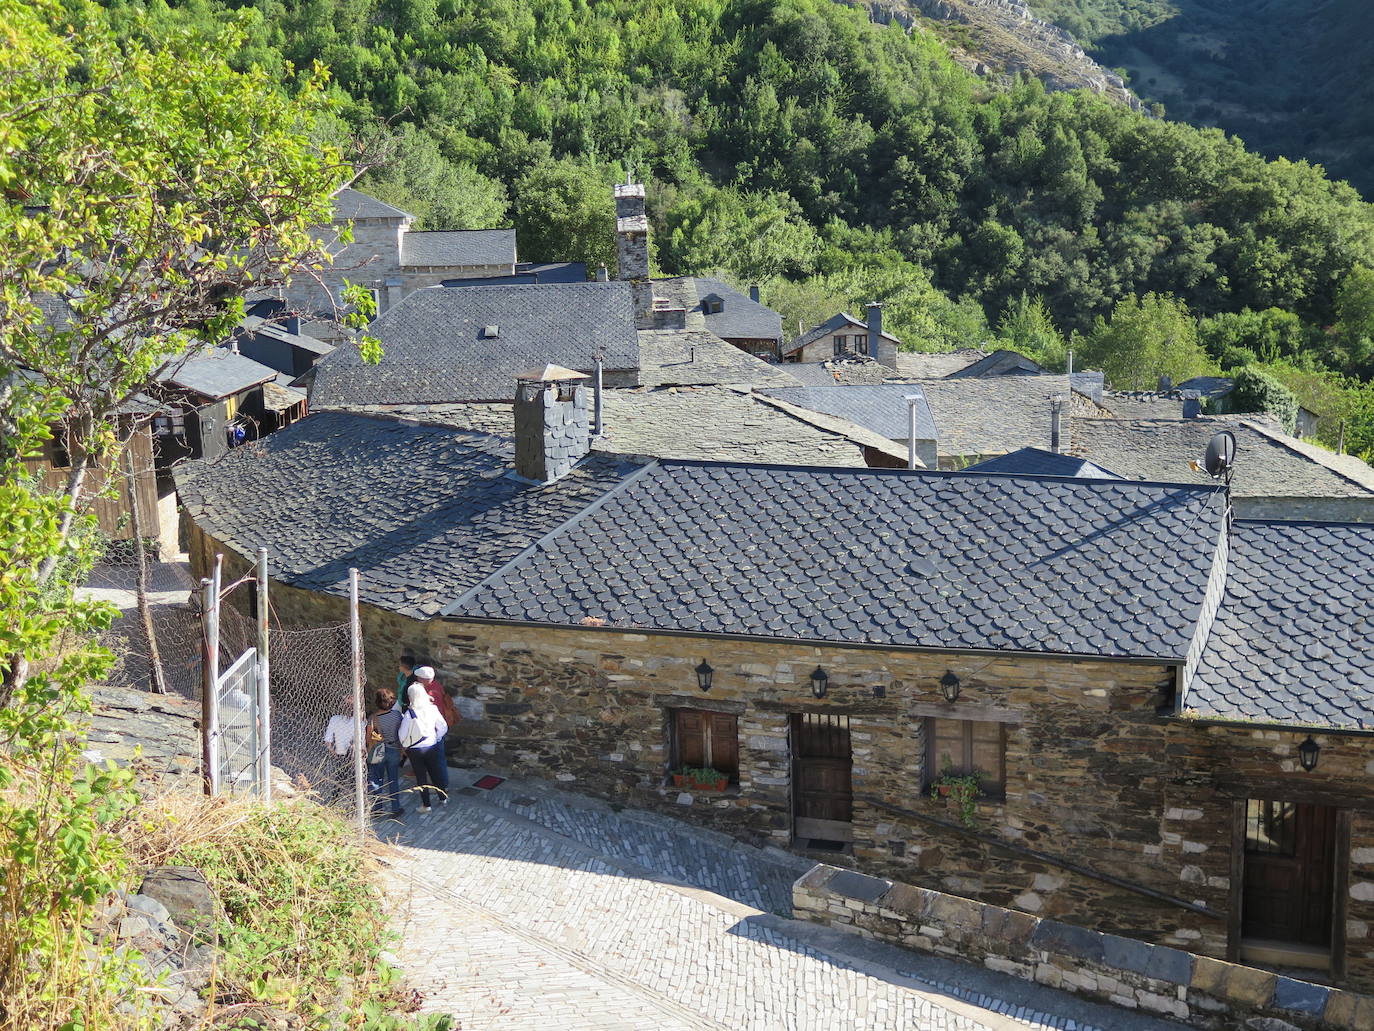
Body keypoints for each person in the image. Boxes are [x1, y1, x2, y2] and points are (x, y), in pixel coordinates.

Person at [399, 682, 448, 814]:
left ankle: (426, 805)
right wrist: (436, 738)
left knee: (421, 777)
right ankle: (443, 797)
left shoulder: (410, 714)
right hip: (431, 746)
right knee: (435, 772)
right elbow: (443, 726)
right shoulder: (433, 709)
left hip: (415, 750)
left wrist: (405, 745)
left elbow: (402, 734)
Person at [367, 686, 405, 818]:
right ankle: (395, 808)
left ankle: (377, 809)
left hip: (379, 751)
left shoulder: (373, 718)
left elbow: (369, 737)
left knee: (377, 780)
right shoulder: (397, 715)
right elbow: (401, 732)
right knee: (393, 780)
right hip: (394, 750)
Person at [322, 712, 355, 802]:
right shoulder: (361, 721)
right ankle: (355, 805)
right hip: (355, 756)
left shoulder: (335, 719)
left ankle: (333, 801)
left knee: (339, 780)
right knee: (354, 783)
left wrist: (334, 753)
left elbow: (328, 741)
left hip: (341, 755)